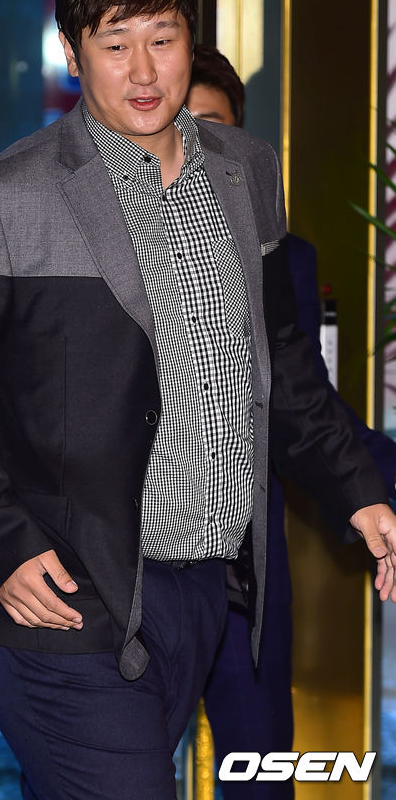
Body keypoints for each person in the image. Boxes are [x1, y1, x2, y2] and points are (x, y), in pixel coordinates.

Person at [0, 0, 396, 800]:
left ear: (190, 42)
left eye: (162, 40)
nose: (142, 71)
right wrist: (5, 544)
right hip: (68, 597)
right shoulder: (0, 200)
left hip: (207, 588)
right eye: (114, 42)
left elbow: (281, 364)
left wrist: (357, 488)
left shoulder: (246, 171)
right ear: (72, 53)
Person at [187, 46, 396, 799]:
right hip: (122, 571)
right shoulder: (95, 252)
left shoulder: (282, 258)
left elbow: (301, 404)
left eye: (217, 129)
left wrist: (379, 486)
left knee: (259, 770)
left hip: (244, 571)